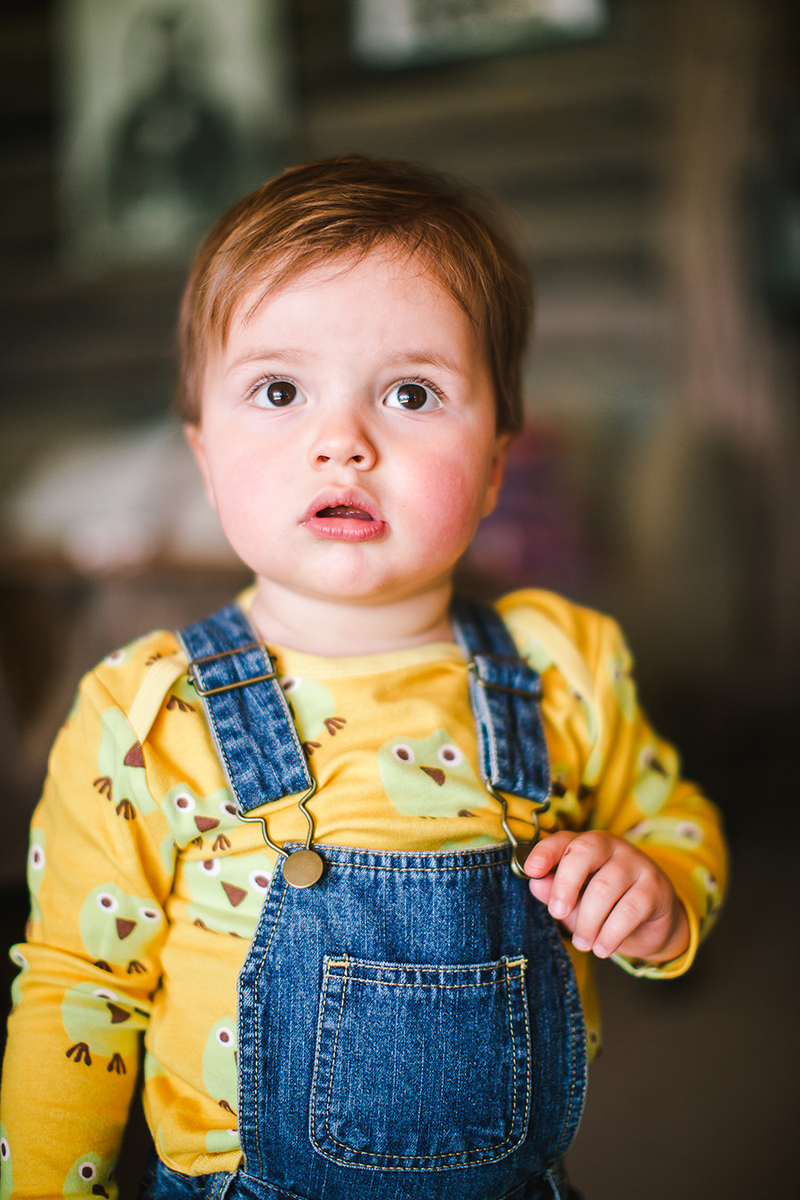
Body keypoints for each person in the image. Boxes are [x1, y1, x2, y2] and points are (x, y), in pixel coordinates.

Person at [0, 155, 727, 1199]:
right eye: (280, 389)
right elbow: (78, 990)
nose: (341, 442)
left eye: (410, 392)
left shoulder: (559, 666)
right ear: (205, 455)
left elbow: (675, 817)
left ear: (489, 468)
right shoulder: (146, 711)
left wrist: (656, 892)